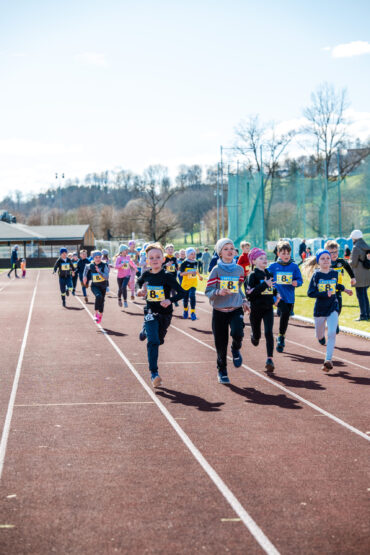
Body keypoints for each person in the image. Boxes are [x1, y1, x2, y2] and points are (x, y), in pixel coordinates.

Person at [137, 243, 184, 387]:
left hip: (165, 315)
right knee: (153, 342)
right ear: (147, 261)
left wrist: (170, 300)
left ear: (163, 259)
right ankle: (154, 373)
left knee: (159, 339)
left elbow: (182, 292)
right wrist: (140, 291)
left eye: (158, 257)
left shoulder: (168, 277)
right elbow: (139, 283)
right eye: (151, 257)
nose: (155, 259)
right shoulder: (146, 274)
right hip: (151, 312)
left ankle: (145, 329)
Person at [205, 238, 249, 384]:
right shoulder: (216, 270)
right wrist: (218, 292)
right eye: (226, 249)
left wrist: (244, 300)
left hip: (235, 308)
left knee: (238, 332)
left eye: (232, 248)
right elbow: (208, 291)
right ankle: (222, 370)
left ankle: (235, 348)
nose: (230, 251)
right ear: (220, 253)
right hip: (219, 311)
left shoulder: (239, 270)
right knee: (220, 344)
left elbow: (238, 289)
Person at [305, 249, 352, 371]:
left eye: (328, 258)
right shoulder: (316, 275)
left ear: (331, 260)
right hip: (320, 309)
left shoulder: (334, 273)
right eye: (323, 258)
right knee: (320, 335)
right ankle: (320, 338)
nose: (326, 260)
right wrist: (325, 294)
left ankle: (328, 359)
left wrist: (345, 289)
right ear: (318, 261)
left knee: (332, 333)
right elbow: (310, 293)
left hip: (333, 306)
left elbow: (335, 285)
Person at [247, 247, 278, 373]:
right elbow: (250, 294)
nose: (264, 260)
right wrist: (265, 284)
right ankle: (254, 336)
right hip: (256, 309)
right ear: (254, 261)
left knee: (269, 332)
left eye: (265, 258)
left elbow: (273, 288)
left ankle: (269, 359)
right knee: (257, 337)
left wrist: (276, 297)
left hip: (268, 308)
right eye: (261, 258)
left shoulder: (269, 274)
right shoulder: (252, 276)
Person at [268, 240, 303, 352]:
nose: (286, 255)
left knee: (285, 315)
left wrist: (296, 283)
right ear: (278, 254)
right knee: (285, 312)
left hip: (289, 297)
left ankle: (281, 334)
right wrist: (269, 282)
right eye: (283, 253)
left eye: (288, 253)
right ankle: (281, 338)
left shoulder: (294, 266)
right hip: (278, 296)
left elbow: (300, 280)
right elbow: (265, 277)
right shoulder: (273, 266)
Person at [324, 240, 356, 331]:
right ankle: (332, 322)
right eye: (331, 252)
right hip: (328, 290)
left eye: (336, 252)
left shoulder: (340, 262)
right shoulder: (325, 262)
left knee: (339, 307)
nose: (334, 254)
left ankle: (335, 321)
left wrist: (352, 277)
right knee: (329, 308)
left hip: (338, 289)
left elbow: (348, 267)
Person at [349, 230, 370, 321]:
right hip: (367, 273)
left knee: (360, 295)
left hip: (359, 274)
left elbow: (353, 263)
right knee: (364, 295)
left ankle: (363, 315)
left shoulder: (356, 248)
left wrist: (347, 262)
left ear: (354, 238)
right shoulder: (367, 246)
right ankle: (368, 314)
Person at [83, 250, 109, 323]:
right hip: (94, 286)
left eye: (99, 257)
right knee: (98, 296)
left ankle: (100, 315)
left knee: (102, 301)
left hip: (103, 286)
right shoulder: (91, 265)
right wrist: (84, 276)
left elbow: (106, 277)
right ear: (93, 258)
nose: (98, 259)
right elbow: (86, 268)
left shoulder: (104, 265)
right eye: (96, 257)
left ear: (101, 257)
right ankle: (95, 313)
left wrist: (99, 272)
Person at [179, 247, 203, 320]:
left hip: (193, 283)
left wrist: (199, 276)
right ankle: (186, 310)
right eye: (191, 254)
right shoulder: (184, 263)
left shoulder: (196, 262)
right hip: (185, 284)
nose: (193, 255)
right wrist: (189, 272)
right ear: (187, 255)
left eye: (194, 254)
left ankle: (193, 312)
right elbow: (181, 274)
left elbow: (196, 271)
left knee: (192, 296)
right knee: (185, 299)